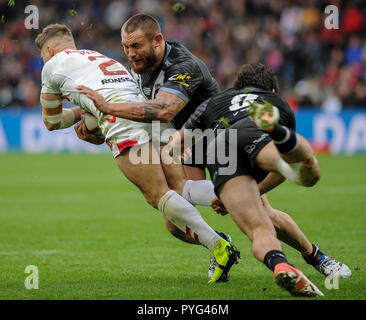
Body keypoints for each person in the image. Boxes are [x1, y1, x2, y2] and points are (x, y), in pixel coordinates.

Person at [76, 15, 351, 282]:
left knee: (261, 212)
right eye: (126, 47)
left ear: (158, 40)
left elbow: (164, 109)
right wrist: (99, 132)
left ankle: (316, 256)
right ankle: (221, 244)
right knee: (175, 223)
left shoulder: (184, 65)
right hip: (188, 144)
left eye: (136, 46)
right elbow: (140, 114)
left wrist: (108, 107)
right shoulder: (140, 70)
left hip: (222, 139)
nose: (130, 53)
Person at [35, 23, 240, 284]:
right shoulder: (99, 57)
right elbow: (96, 100)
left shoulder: (52, 66)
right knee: (180, 185)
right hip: (146, 112)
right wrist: (87, 114)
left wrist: (85, 119)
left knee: (157, 194)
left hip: (121, 120)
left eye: (44, 56)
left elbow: (52, 121)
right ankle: (238, 193)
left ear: (50, 50)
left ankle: (219, 246)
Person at [166, 62, 352, 296]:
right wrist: (258, 188)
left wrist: (175, 150)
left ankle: (279, 264)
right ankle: (278, 133)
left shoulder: (215, 101)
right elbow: (279, 176)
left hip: (220, 149)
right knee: (303, 170)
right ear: (272, 90)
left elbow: (177, 140)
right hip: (254, 130)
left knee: (259, 228)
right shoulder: (278, 102)